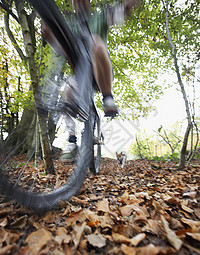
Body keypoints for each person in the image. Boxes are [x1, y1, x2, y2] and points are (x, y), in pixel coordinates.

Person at [42, 0, 141, 161]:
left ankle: (107, 97)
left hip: (100, 70)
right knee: (66, 93)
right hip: (79, 77)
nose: (80, 2)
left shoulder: (100, 18)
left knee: (96, 41)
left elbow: (118, 13)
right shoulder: (69, 25)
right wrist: (48, 34)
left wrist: (127, 7)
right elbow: (58, 48)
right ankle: (72, 140)